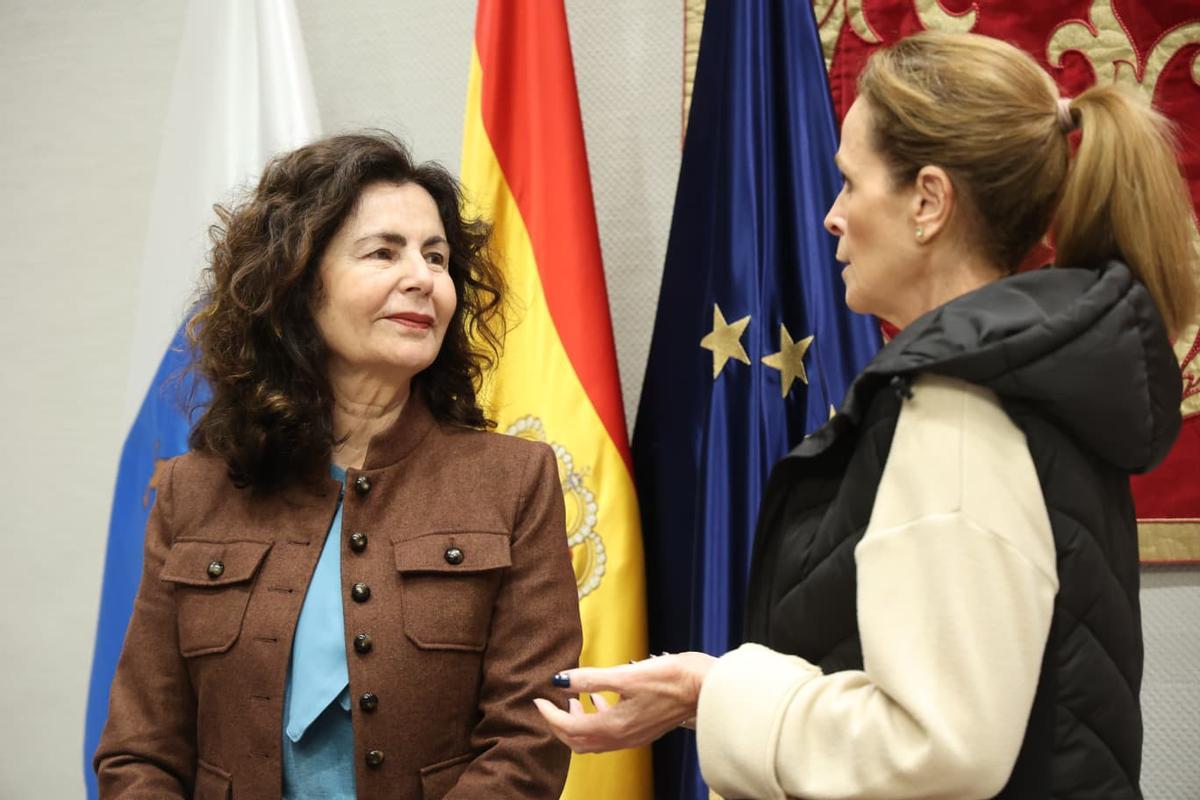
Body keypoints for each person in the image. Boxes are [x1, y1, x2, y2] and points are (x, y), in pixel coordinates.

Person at [536, 30, 1197, 800]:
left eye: (849, 183)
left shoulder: (958, 411)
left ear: (927, 201)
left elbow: (936, 749)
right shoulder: (1015, 383)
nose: (831, 217)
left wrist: (711, 695)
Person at [95, 132, 582, 799]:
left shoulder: (513, 481)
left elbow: (529, 739)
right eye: (384, 252)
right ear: (298, 284)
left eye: (436, 258)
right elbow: (139, 753)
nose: (423, 277)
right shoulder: (193, 492)